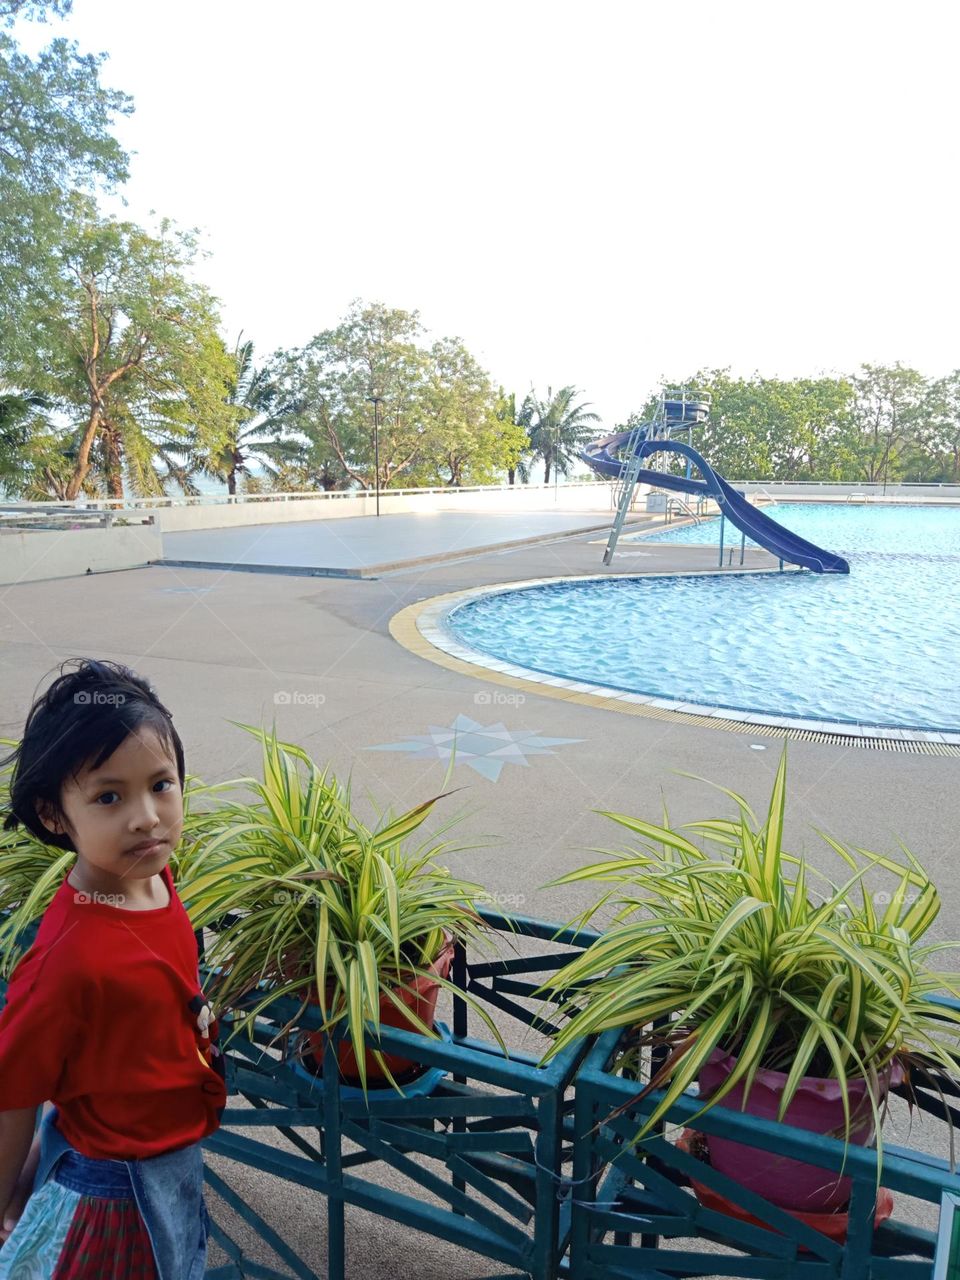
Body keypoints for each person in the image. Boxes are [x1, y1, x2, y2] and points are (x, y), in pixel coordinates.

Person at [0, 659, 226, 1278]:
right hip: (112, 1195)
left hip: (172, 1163)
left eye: (161, 784)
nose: (147, 817)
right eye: (108, 796)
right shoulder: (68, 960)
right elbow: (13, 1091)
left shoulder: (156, 880)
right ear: (53, 815)